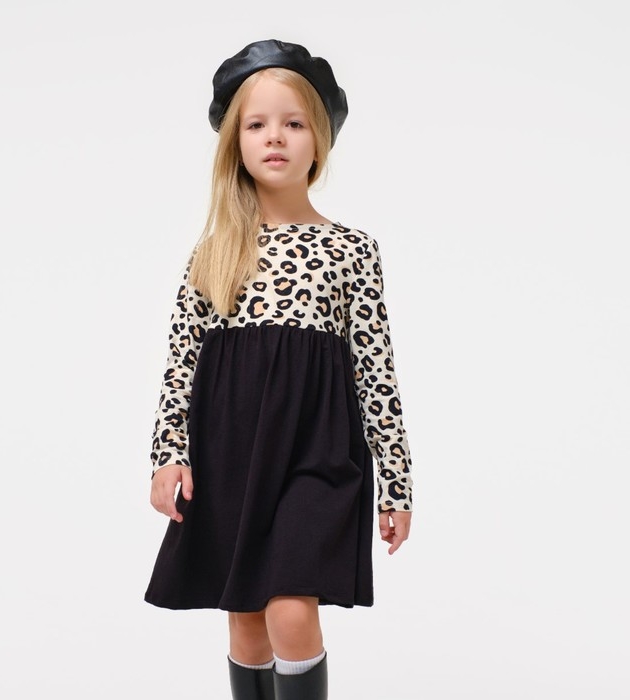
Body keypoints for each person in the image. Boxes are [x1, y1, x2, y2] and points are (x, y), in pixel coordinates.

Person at [144, 39, 414, 700]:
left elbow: (375, 369)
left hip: (318, 452)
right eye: (256, 125)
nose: (274, 137)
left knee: (291, 609)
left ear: (319, 141)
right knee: (246, 623)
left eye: (293, 123)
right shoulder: (214, 252)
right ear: (234, 143)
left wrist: (396, 481)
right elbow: (181, 362)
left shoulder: (351, 249)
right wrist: (168, 455)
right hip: (230, 449)